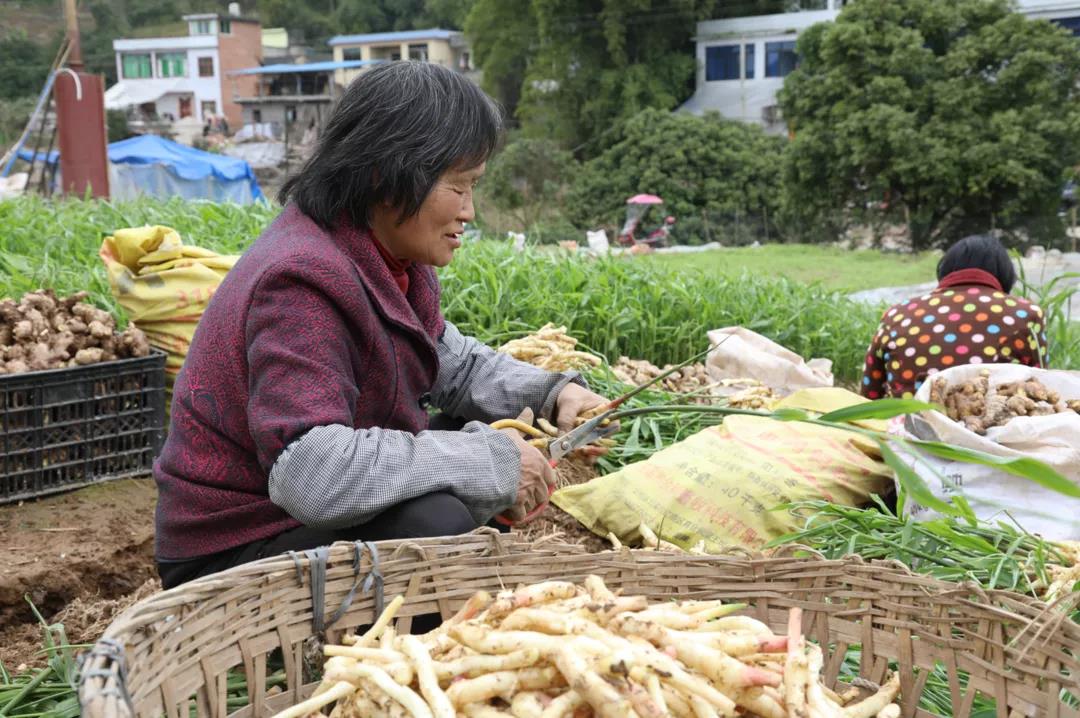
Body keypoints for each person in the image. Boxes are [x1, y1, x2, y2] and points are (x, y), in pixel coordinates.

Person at [153, 62, 614, 589]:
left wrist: (554, 395)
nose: (469, 211)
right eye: (458, 186)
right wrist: (490, 464)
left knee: (458, 446)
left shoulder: (386, 258)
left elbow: (449, 361)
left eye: (474, 186)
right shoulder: (300, 280)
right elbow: (310, 472)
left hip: (292, 520)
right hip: (233, 550)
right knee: (435, 525)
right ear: (387, 176)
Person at [861, 234, 1048, 400]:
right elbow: (1040, 389)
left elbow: (869, 394)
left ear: (945, 269)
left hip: (907, 425)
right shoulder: (1026, 314)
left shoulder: (897, 314)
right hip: (994, 426)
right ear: (1005, 275)